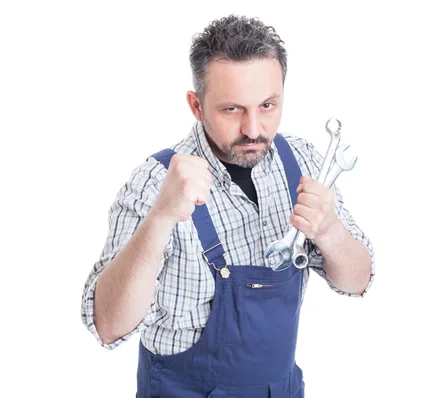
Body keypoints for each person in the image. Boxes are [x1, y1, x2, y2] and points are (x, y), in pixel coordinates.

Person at [80, 14, 375, 398]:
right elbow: (108, 325)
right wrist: (160, 218)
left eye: (267, 105)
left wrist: (330, 231)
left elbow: (359, 281)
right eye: (232, 109)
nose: (254, 129)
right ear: (196, 105)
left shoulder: (303, 162)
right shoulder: (153, 184)